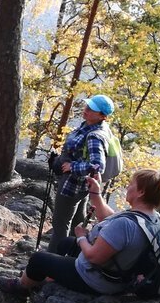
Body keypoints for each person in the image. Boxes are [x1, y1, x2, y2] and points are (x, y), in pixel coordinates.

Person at [0, 169, 160, 298]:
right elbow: (110, 219)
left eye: (132, 184)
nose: (128, 186)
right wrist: (96, 195)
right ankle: (49, 277)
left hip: (98, 280)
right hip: (121, 274)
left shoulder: (126, 224)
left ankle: (20, 288)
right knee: (66, 243)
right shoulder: (156, 220)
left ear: (141, 192)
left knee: (39, 259)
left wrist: (82, 236)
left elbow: (93, 257)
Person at [48, 95, 115, 254]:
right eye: (87, 106)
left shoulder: (94, 135)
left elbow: (98, 165)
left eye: (92, 109)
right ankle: (74, 255)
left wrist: (73, 166)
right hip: (83, 185)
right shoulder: (93, 126)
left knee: (59, 226)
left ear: (102, 115)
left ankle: (50, 265)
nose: (86, 110)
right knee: (78, 221)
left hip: (72, 185)